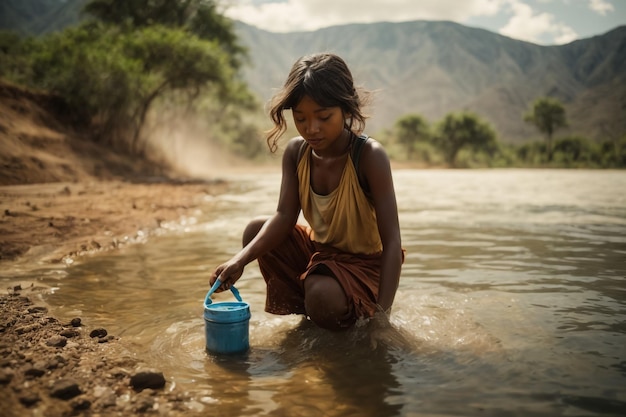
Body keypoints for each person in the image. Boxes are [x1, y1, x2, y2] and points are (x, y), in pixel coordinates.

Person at [210, 52, 403, 331]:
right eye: (300, 118)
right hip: (321, 257)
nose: (311, 129)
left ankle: (333, 308)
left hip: (365, 266)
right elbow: (285, 215)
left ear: (347, 110)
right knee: (255, 231)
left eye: (324, 117)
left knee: (321, 293)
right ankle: (315, 311)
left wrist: (382, 320)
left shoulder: (369, 156)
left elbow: (393, 242)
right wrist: (239, 261)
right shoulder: (296, 152)